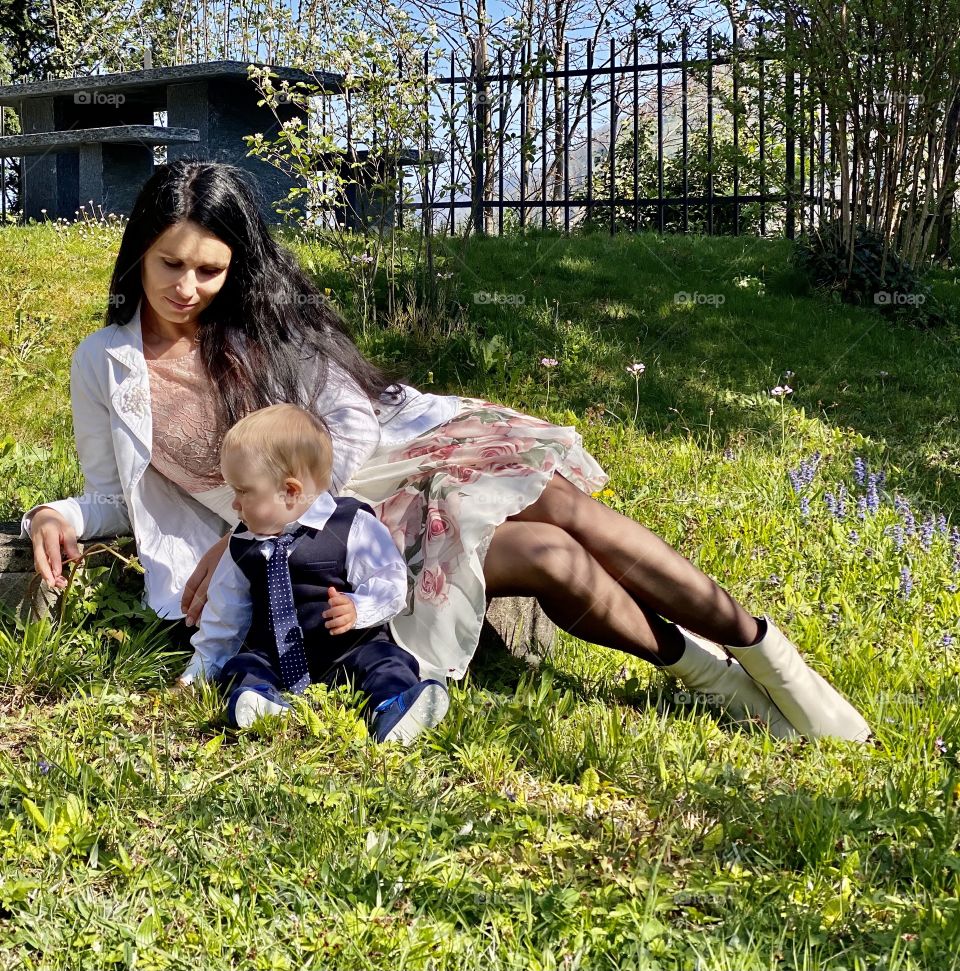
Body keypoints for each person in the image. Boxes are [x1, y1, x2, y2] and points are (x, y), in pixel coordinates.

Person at [24, 159, 871, 743]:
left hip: (373, 472)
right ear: (139, 252)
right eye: (171, 264)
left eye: (210, 270)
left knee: (561, 505)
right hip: (326, 538)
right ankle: (714, 679)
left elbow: (350, 429)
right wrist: (58, 511)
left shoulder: (265, 326)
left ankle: (767, 649)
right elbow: (115, 492)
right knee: (543, 552)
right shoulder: (105, 362)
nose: (187, 288)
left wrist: (249, 524)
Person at [178, 402, 449, 742]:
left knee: (387, 660)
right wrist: (198, 670)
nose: (234, 504)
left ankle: (392, 707)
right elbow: (224, 616)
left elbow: (389, 580)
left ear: (290, 491)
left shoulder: (348, 526)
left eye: (243, 491)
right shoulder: (242, 546)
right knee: (242, 668)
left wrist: (357, 608)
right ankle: (263, 703)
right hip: (275, 654)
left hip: (349, 649)